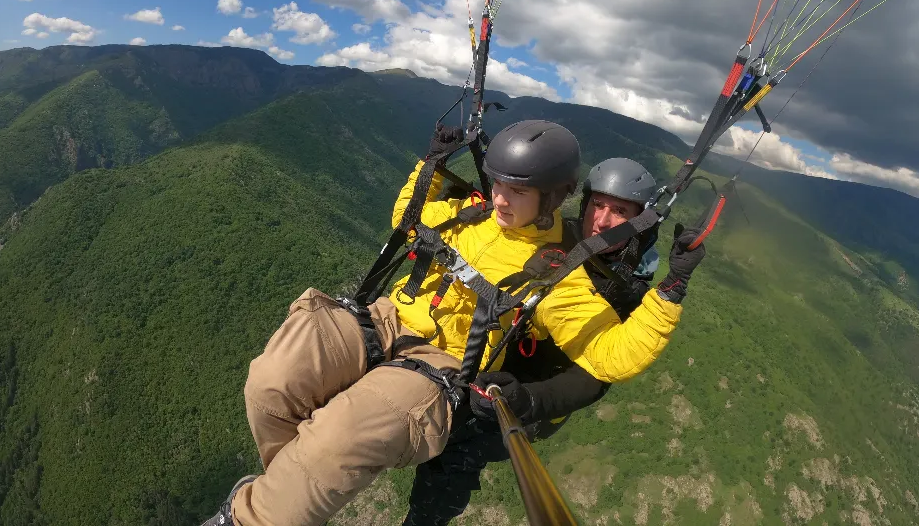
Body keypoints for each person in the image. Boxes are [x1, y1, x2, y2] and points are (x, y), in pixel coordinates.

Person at [201, 121, 702, 526]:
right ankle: (282, 495)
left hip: (441, 367)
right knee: (271, 381)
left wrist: (671, 290)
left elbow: (610, 355)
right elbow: (409, 216)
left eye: (517, 191)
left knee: (340, 436)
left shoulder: (561, 274)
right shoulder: (473, 212)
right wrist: (433, 166)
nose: (502, 198)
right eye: (499, 183)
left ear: (552, 197)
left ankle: (254, 518)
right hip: (385, 320)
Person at [401, 157, 705, 525]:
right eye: (598, 205)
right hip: (495, 357)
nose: (603, 221)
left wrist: (529, 401)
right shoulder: (560, 237)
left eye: (620, 212)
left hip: (533, 398)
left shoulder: (628, 289)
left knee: (455, 454)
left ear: (640, 219)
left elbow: (597, 376)